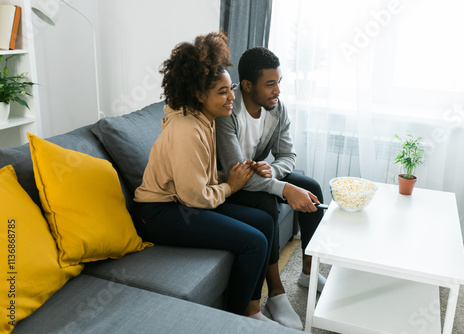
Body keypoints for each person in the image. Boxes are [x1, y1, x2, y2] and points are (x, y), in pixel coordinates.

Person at [133, 33, 275, 322]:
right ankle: (229, 321)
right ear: (199, 95)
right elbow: (196, 197)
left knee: (264, 220)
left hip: (183, 204)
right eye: (223, 92)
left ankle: (252, 308)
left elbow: (200, 177)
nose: (232, 97)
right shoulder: (187, 129)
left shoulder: (203, 119)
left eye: (230, 88)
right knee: (254, 242)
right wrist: (231, 185)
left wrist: (237, 173)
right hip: (160, 214)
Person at [215, 46, 326, 329]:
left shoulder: (277, 108)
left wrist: (273, 170)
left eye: (279, 83)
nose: (277, 91)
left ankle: (308, 272)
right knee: (268, 204)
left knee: (311, 187)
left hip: (258, 175)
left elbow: (287, 155)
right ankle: (276, 293)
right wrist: (284, 189)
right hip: (232, 183)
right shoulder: (227, 111)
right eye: (270, 84)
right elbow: (235, 171)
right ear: (248, 86)